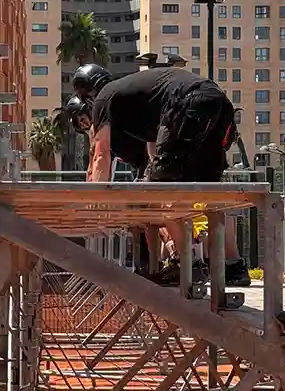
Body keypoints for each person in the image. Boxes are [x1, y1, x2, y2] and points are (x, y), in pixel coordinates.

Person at [71, 63, 250, 288]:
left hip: (187, 104)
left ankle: (188, 265)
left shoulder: (104, 99)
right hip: (219, 104)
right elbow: (155, 149)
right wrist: (155, 176)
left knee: (159, 194)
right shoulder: (140, 98)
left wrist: (96, 206)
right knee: (208, 193)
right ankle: (232, 266)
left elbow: (100, 154)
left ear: (87, 96)